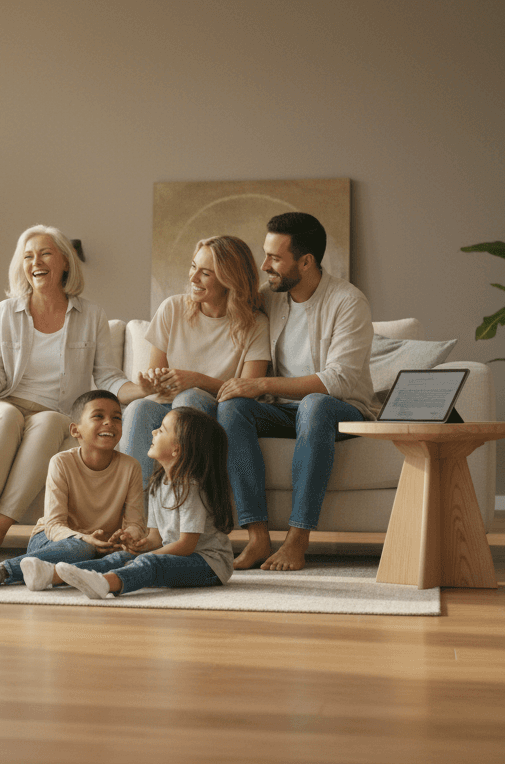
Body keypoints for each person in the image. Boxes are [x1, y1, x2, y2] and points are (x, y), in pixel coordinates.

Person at [0, 225, 150, 565]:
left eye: (45, 253)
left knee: (52, 421)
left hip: (54, 412)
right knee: (7, 417)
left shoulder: (90, 315)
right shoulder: (4, 313)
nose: (36, 261)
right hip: (1, 403)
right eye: (28, 256)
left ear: (65, 262)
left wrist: (143, 390)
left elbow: (108, 376)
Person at [215, 212, 376, 572]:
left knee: (315, 405)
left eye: (275, 258)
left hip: (339, 410)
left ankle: (297, 541)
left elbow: (340, 379)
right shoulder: (269, 299)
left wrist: (262, 384)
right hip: (281, 411)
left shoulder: (348, 302)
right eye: (265, 254)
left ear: (306, 262)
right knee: (231, 410)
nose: (264, 265)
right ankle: (257, 537)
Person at [122, 235, 270, 478]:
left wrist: (197, 380)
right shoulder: (172, 308)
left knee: (190, 399)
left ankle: (190, 502)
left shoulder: (256, 325)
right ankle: (136, 513)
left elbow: (250, 390)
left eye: (205, 273)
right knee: (139, 408)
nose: (193, 278)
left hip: (214, 413)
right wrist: (151, 382)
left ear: (229, 279)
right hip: (166, 407)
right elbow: (155, 376)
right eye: (193, 267)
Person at [0, 389, 145, 590]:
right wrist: (85, 539)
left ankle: (54, 575)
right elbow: (53, 525)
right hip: (53, 539)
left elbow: (135, 523)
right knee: (81, 549)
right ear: (75, 430)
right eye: (98, 416)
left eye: (117, 418)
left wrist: (128, 537)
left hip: (101, 544)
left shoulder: (131, 467)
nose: (109, 422)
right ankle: (3, 570)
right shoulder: (61, 462)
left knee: (126, 556)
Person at [53, 406, 235, 599]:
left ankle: (106, 583)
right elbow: (156, 539)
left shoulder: (192, 488)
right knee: (121, 557)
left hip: (208, 564)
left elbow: (186, 546)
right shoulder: (159, 484)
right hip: (178, 555)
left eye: (162, 430)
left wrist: (146, 556)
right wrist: (138, 545)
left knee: (150, 564)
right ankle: (55, 576)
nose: (153, 432)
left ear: (177, 449)